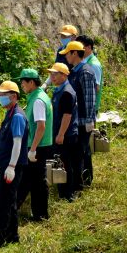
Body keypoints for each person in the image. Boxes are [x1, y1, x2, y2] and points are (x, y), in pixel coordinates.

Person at [0, 81, 29, 247]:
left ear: (14, 96)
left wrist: (11, 167)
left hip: (11, 166)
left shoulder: (17, 116)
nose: (0, 98)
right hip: (5, 164)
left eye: (3, 95)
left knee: (3, 203)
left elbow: (17, 143)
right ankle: (12, 237)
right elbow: (7, 138)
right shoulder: (9, 114)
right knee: (10, 201)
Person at [59, 41, 96, 188]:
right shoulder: (74, 71)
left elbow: (89, 98)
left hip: (82, 120)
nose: (66, 57)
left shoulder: (85, 72)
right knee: (77, 153)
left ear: (74, 53)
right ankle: (79, 182)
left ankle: (82, 184)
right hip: (75, 120)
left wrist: (88, 121)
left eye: (67, 53)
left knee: (82, 152)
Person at [16, 69, 52, 220]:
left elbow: (41, 126)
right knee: (36, 181)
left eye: (23, 82)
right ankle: (40, 215)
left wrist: (32, 149)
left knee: (28, 180)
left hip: (38, 146)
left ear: (31, 82)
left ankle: (10, 210)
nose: (22, 85)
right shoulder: (38, 95)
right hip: (40, 145)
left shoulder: (38, 100)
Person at [48, 63, 80, 201]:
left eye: (55, 74)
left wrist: (60, 134)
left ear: (64, 75)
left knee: (65, 164)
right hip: (61, 132)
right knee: (62, 162)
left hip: (66, 134)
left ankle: (68, 194)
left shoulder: (66, 92)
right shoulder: (58, 89)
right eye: (51, 74)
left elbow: (67, 116)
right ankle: (63, 191)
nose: (52, 77)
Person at [41, 24, 79, 90]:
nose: (63, 38)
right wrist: (46, 84)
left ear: (74, 37)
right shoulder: (60, 50)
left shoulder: (78, 52)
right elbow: (56, 69)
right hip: (62, 86)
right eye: (62, 36)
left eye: (65, 36)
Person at [77, 35, 103, 115]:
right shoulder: (83, 61)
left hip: (89, 107)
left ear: (88, 47)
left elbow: (96, 87)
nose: (78, 50)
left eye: (80, 47)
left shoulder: (93, 64)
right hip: (82, 105)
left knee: (88, 127)